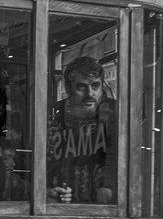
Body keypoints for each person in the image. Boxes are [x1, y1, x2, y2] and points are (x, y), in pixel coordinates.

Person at [47, 56, 117, 204]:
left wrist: (109, 187)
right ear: (68, 88)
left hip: (106, 204)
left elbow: (119, 155)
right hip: (61, 203)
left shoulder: (116, 113)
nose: (90, 94)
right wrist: (47, 190)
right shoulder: (54, 114)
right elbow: (47, 159)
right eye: (81, 87)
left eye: (95, 86)